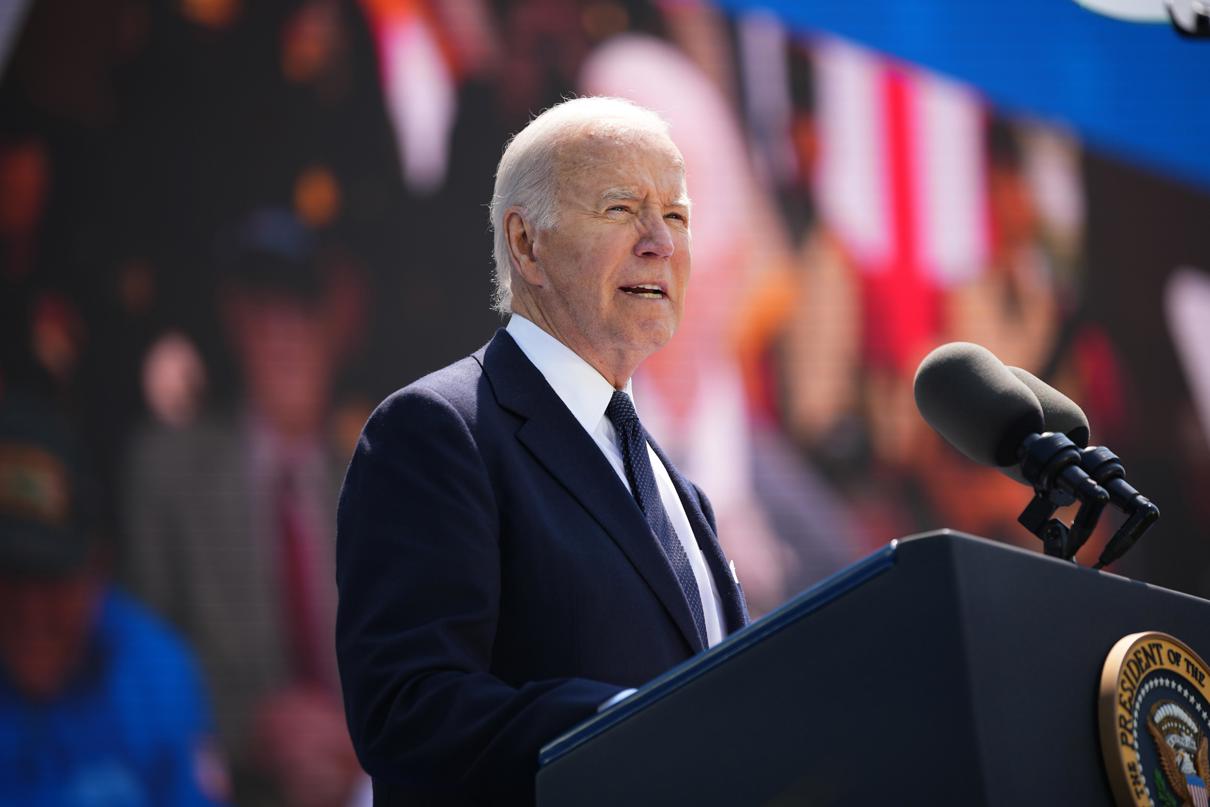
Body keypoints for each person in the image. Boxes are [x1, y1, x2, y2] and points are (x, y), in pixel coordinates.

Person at [336, 96, 749, 805]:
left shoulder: (685, 495)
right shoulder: (438, 433)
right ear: (526, 244)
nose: (661, 243)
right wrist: (628, 726)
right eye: (622, 209)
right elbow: (408, 713)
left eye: (676, 215)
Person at [122, 209, 364, 807]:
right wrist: (254, 729)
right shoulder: (167, 473)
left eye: (301, 312)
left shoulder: (379, 469)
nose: (282, 335)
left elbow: (431, 659)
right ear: (234, 321)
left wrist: (355, 740)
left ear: (336, 324)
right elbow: (134, 658)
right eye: (263, 312)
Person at [0, 392, 225, 806]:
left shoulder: (155, 674)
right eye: (9, 576)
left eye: (51, 577)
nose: (30, 611)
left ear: (98, 569)